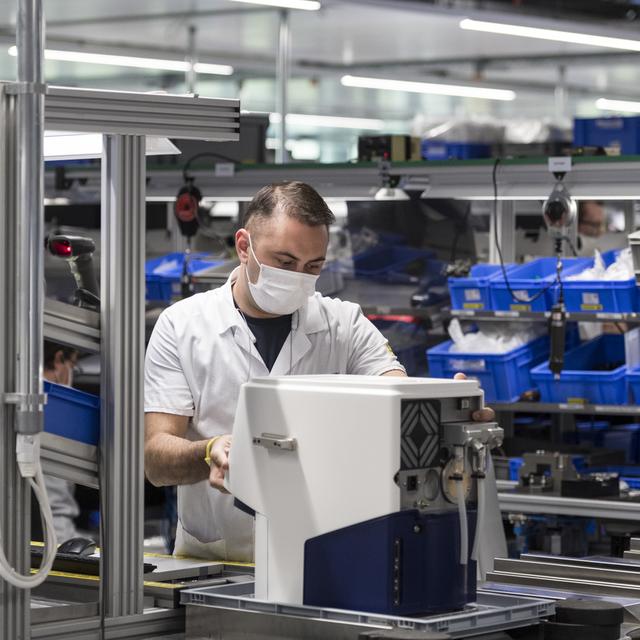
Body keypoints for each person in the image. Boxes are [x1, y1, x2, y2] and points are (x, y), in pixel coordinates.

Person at [144, 181, 494, 561]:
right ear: (244, 247)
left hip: (325, 562)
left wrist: (448, 413)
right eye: (284, 262)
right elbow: (156, 459)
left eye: (313, 266)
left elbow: (399, 401)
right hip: (215, 561)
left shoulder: (344, 324)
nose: (298, 277)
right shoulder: (183, 325)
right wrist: (210, 451)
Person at [41, 341, 80, 542]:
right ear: (58, 360)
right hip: (46, 550)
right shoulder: (52, 411)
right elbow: (55, 511)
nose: (71, 372)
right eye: (72, 365)